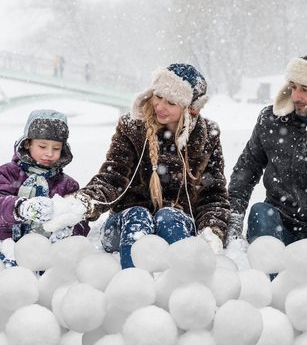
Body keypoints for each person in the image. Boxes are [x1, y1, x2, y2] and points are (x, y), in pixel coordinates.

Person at [50, 63, 230, 268]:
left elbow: (213, 193)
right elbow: (113, 176)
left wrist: (212, 230)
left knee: (169, 217)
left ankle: (181, 281)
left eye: (170, 102)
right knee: (138, 216)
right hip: (125, 222)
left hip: (175, 224)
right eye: (158, 96)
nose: (160, 106)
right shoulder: (132, 127)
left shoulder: (207, 136)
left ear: (190, 110)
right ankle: (133, 283)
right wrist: (85, 201)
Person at [227, 53, 307, 293]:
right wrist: (234, 216)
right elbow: (246, 169)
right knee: (260, 212)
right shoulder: (270, 120)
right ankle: (272, 291)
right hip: (282, 224)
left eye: (305, 89)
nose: (296, 96)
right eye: (293, 87)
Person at [0, 109, 90, 266]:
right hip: (6, 249)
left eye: (56, 148)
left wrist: (69, 229)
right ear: (28, 144)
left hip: (46, 256)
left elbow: (81, 221)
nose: (49, 154)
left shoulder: (68, 185)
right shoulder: (7, 173)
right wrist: (21, 208)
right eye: (42, 146)